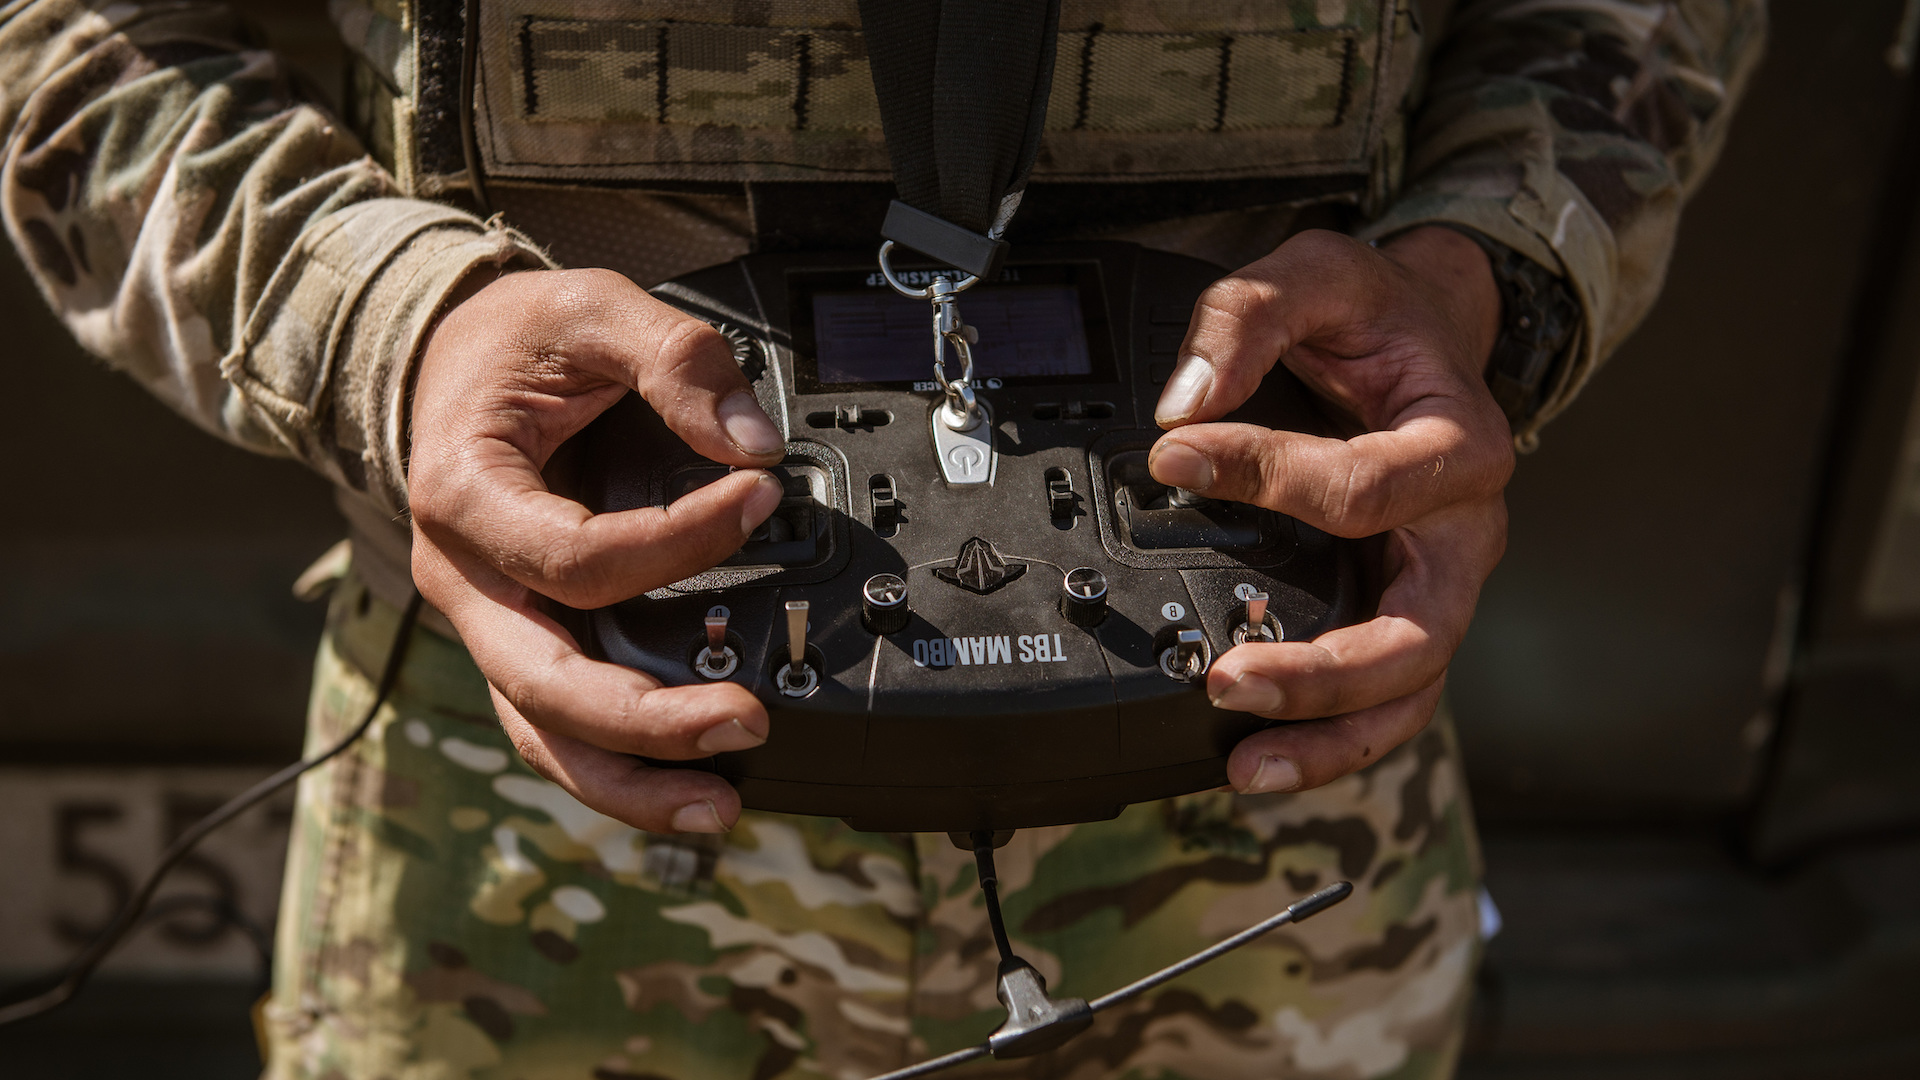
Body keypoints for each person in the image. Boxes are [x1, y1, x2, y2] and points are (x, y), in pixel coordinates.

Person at [0, 1, 1765, 1077]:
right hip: (544, 775)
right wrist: (389, 331)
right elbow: (67, 37)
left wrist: (1488, 282)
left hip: (1272, 760)